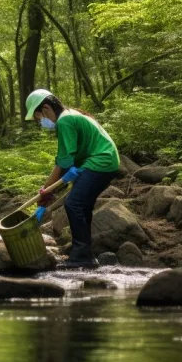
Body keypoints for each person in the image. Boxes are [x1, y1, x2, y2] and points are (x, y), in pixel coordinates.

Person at [26, 89, 120, 269]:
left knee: (73, 203)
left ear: (46, 108)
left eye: (39, 118)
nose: (41, 123)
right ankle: (85, 254)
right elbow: (66, 161)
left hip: (100, 162)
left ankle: (81, 255)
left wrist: (47, 190)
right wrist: (50, 190)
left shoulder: (65, 120)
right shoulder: (70, 115)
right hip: (104, 161)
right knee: (82, 205)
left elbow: (65, 162)